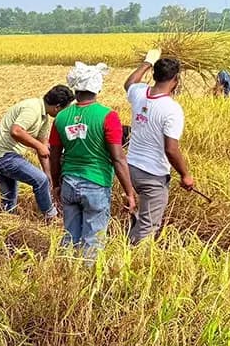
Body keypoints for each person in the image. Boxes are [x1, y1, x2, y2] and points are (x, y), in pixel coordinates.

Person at [50, 63, 137, 257]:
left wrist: (56, 184)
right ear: (97, 86)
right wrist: (129, 192)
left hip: (69, 183)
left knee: (70, 236)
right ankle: (87, 281)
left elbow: (54, 155)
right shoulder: (108, 116)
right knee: (93, 241)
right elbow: (118, 157)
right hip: (96, 183)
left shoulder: (61, 117)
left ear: (76, 87)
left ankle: (64, 272)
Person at [122, 51, 195, 245]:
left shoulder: (140, 93)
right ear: (176, 80)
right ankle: (132, 260)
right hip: (152, 174)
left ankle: (129, 241)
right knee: (149, 224)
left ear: (154, 75)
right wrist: (185, 175)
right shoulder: (172, 109)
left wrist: (147, 62)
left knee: (142, 215)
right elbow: (171, 149)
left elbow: (129, 83)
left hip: (131, 168)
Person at [0, 85, 75, 219]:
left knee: (9, 200)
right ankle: (51, 216)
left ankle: (4, 225)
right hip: (2, 155)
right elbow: (16, 131)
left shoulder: (44, 118)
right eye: (64, 110)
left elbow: (43, 147)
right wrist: (39, 148)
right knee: (39, 180)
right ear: (57, 107)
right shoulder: (32, 108)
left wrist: (49, 176)